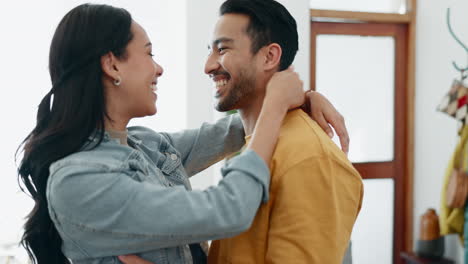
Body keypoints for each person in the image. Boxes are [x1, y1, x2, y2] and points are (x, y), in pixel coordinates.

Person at [17, 3, 349, 264]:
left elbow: (227, 132)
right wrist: (275, 105)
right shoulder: (81, 180)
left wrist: (302, 98)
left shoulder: (143, 144)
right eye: (148, 53)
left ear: (270, 56)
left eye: (222, 49)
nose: (159, 68)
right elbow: (228, 208)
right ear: (112, 65)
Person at [120, 0, 363, 263]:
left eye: (222, 49)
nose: (208, 66)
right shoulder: (254, 144)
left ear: (269, 57)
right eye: (210, 51)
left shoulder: (310, 159)